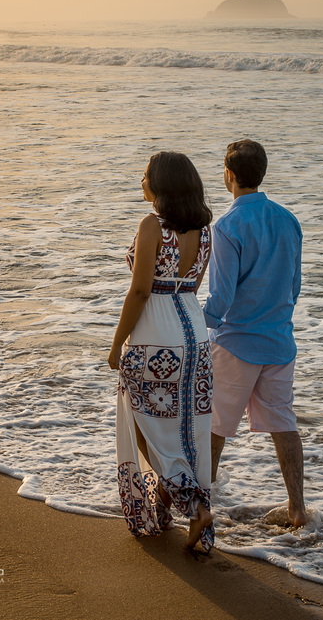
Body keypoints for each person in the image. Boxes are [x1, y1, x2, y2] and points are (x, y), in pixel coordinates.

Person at [108, 151, 215, 554]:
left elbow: (140, 290)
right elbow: (192, 284)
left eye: (146, 175)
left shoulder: (152, 226)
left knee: (146, 426)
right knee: (185, 426)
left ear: (162, 184)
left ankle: (193, 505)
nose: (141, 180)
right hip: (195, 334)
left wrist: (118, 343)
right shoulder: (206, 230)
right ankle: (174, 507)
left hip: (155, 335)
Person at [202, 139, 308, 528]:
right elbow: (294, 286)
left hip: (237, 344)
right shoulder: (288, 219)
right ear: (261, 173)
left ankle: (202, 509)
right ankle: (297, 508)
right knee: (284, 425)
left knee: (215, 427)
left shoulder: (227, 226)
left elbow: (222, 297)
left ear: (228, 174)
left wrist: (197, 322)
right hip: (280, 341)